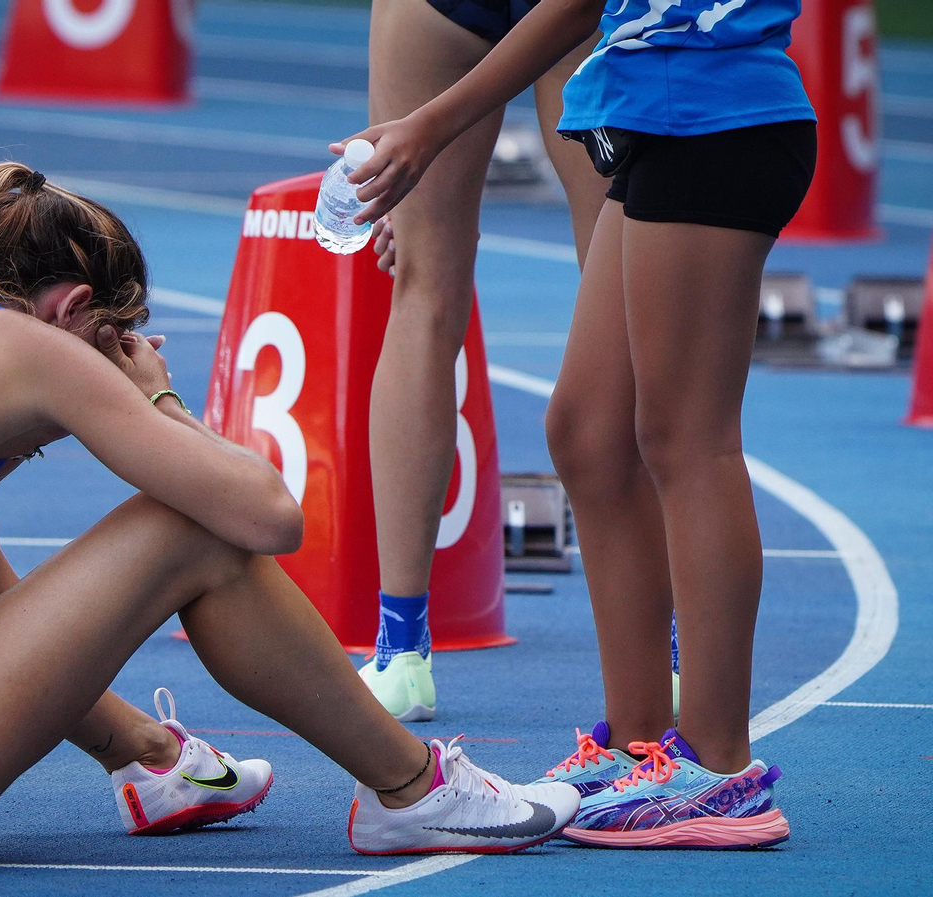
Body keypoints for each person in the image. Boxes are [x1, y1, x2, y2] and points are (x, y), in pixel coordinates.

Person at [0, 163, 581, 869]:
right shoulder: (18, 345)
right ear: (74, 309)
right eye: (114, 339)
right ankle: (414, 790)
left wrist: (141, 739)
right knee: (195, 529)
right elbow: (268, 515)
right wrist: (158, 396)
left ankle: (152, 760)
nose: (118, 358)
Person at [336, 0, 815, 848]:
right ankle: (637, 739)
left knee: (687, 439)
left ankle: (718, 765)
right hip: (651, 115)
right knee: (587, 432)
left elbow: (572, 5)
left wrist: (428, 129)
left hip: (710, 108)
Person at [356, 0, 608, 722]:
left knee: (423, 293)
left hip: (450, 15)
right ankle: (670, 652)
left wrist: (426, 134)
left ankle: (399, 649)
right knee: (621, 287)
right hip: (584, 16)